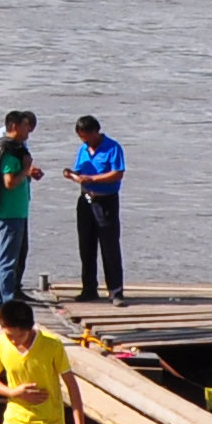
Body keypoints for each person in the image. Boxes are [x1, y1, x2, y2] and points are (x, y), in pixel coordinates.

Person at [0, 111, 39, 309]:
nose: (28, 129)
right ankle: (7, 302)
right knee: (8, 260)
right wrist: (25, 170)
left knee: (0, 254)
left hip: (11, 211)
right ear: (14, 127)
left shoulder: (13, 148)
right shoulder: (10, 151)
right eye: (25, 125)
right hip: (10, 212)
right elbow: (9, 182)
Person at [66, 113, 126, 305]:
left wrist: (92, 179)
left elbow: (117, 173)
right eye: (81, 137)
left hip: (106, 201)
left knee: (109, 246)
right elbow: (80, 170)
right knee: (86, 245)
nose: (84, 141)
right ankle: (89, 288)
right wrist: (72, 174)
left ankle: (115, 290)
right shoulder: (83, 149)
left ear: (95, 132)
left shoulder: (112, 148)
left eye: (86, 136)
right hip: (85, 199)